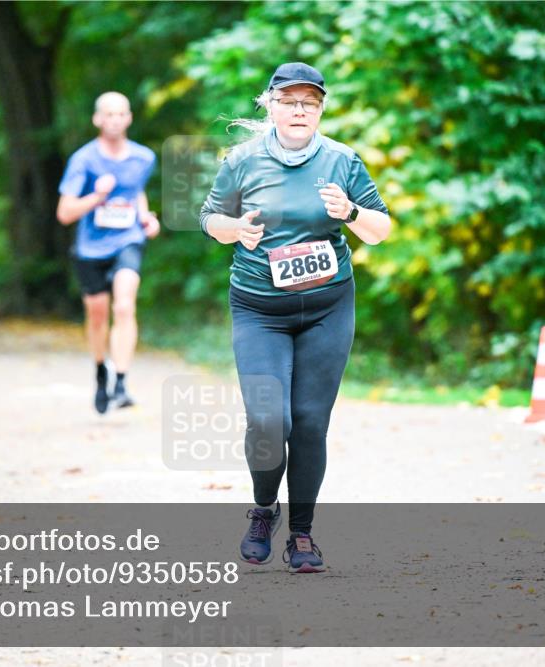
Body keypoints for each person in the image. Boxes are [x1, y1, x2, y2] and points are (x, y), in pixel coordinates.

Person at [199, 62, 392, 573]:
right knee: (269, 421)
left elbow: (381, 229)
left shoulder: (342, 160)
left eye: (310, 102)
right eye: (289, 101)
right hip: (259, 308)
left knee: (308, 422)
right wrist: (235, 229)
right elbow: (209, 218)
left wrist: (351, 212)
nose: (300, 110)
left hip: (328, 306)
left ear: (321, 109)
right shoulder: (242, 161)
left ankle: (302, 535)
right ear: (271, 106)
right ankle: (264, 510)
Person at [56, 91, 160, 414]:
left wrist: (146, 217)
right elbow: (65, 212)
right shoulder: (83, 160)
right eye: (109, 115)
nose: (115, 120)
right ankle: (101, 370)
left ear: (129, 118)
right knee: (98, 314)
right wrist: (97, 197)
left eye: (120, 114)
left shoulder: (143, 158)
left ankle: (122, 382)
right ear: (97, 119)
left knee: (125, 305)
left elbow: (135, 192)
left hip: (128, 240)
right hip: (90, 248)